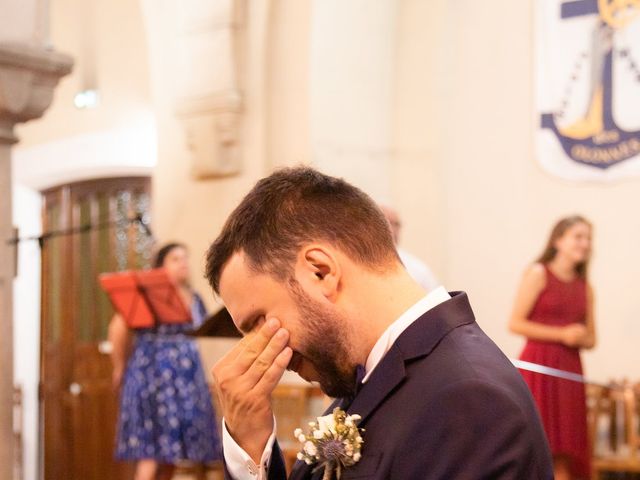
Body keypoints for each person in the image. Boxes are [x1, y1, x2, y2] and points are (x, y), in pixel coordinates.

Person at [205, 167, 553, 480]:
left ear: (320, 271)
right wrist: (250, 445)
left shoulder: (468, 401)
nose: (257, 347)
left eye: (258, 321)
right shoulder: (375, 375)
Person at [109, 242, 222, 480]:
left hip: (187, 379)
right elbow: (119, 327)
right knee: (151, 452)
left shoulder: (195, 297)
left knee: (174, 453)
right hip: (153, 377)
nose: (183, 263)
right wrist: (120, 366)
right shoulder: (148, 295)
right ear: (161, 266)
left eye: (185, 258)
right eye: (175, 259)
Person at [509, 216, 596, 480]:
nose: (585, 243)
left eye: (589, 238)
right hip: (540, 367)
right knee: (540, 442)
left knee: (567, 449)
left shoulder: (585, 287)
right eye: (578, 236)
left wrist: (579, 337)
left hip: (570, 371)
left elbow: (592, 339)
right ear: (558, 240)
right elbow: (515, 323)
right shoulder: (538, 273)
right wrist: (562, 333)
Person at [379, 204, 439, 292]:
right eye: (386, 222)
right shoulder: (358, 262)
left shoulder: (419, 270)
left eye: (396, 224)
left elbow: (438, 303)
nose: (392, 230)